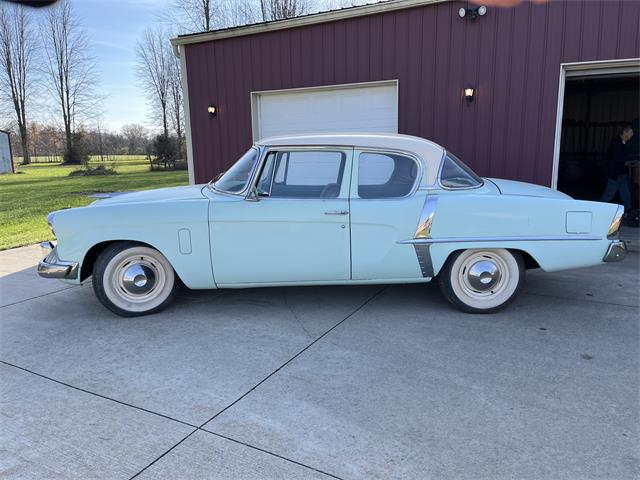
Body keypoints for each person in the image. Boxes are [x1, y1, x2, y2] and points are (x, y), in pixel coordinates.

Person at [600, 125, 633, 211]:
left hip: (622, 173)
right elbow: (619, 158)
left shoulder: (622, 142)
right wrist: (629, 161)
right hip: (615, 174)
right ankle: (599, 208)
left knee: (625, 193)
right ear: (625, 132)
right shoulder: (616, 142)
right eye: (631, 133)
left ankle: (628, 209)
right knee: (609, 193)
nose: (632, 135)